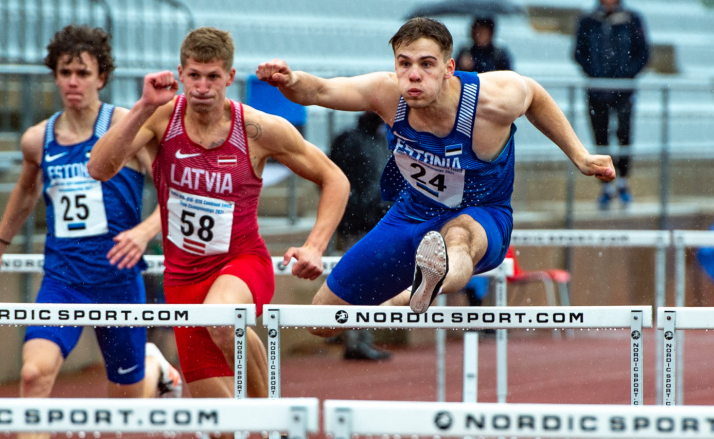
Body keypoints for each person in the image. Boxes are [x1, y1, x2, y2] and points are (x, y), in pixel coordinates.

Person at [256, 17, 615, 319]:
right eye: (404, 63)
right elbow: (319, 90)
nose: (413, 75)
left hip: (481, 215)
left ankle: (422, 285)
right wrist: (290, 80)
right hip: (411, 214)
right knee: (323, 317)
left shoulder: (490, 99)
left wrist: (580, 155)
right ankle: (413, 287)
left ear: (448, 68)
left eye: (426, 64)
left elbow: (533, 94)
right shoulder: (386, 93)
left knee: (457, 238)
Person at [87, 27, 349, 399]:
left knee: (223, 320)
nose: (202, 87)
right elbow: (98, 168)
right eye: (194, 76)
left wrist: (315, 246)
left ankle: (272, 420)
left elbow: (335, 178)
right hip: (182, 279)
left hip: (240, 264)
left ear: (229, 77)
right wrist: (143, 106)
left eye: (213, 77)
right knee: (219, 426)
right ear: (180, 74)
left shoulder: (258, 129)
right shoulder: (160, 118)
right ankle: (171, 377)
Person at [0, 25, 182, 426]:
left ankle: (154, 368)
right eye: (65, 72)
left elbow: (174, 191)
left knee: (125, 411)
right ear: (54, 75)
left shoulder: (127, 126)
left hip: (118, 279)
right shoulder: (38, 140)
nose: (73, 82)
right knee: (33, 374)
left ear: (101, 77)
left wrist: (145, 231)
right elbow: (24, 193)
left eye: (83, 73)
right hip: (63, 280)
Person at [574, 0, 649, 210]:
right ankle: (606, 187)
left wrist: (626, 74)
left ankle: (624, 183)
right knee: (600, 138)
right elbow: (578, 52)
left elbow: (643, 54)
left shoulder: (631, 20)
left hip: (623, 91)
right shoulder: (589, 21)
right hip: (597, 90)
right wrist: (594, 72)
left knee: (625, 135)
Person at [454, 15, 514, 307]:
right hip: (466, 136)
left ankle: (480, 298)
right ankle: (474, 297)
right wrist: (464, 70)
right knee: (465, 227)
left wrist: (477, 74)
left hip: (489, 134)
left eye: (485, 30)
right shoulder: (463, 55)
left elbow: (507, 91)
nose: (481, 35)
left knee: (480, 228)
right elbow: (452, 90)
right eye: (477, 30)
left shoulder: (501, 56)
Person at [329, 111, 393, 361]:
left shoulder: (381, 141)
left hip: (374, 222)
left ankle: (357, 339)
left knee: (367, 284)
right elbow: (333, 179)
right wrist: (353, 210)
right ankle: (353, 340)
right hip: (356, 224)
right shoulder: (351, 140)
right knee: (357, 283)